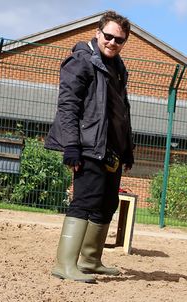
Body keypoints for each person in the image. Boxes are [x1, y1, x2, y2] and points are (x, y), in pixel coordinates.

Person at [45, 11, 134, 283]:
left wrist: (127, 148)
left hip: (111, 148)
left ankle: (91, 260)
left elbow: (121, 111)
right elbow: (68, 106)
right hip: (86, 145)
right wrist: (71, 145)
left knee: (107, 203)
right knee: (84, 202)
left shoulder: (118, 68)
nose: (112, 42)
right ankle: (64, 264)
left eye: (119, 39)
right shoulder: (81, 62)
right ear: (98, 33)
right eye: (108, 36)